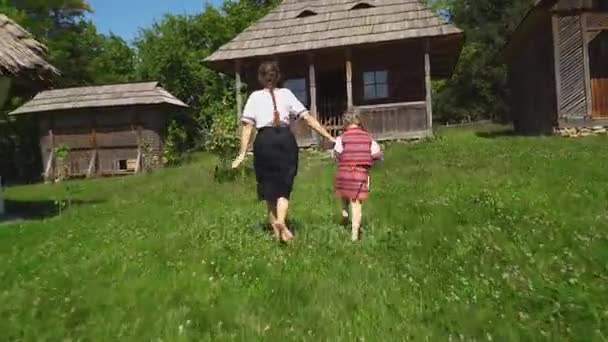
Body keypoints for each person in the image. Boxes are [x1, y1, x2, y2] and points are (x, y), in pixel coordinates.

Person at [232, 61, 335, 242]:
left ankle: (277, 233)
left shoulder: (254, 97)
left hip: (264, 142)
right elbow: (307, 118)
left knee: (269, 189)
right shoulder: (287, 94)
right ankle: (281, 221)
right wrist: (328, 136)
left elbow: (247, 127)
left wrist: (242, 152)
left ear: (260, 78)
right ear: (278, 76)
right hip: (285, 141)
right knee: (284, 188)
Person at [333, 110, 383, 241]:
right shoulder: (368, 138)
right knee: (356, 204)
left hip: (344, 172)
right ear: (360, 122)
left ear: (345, 123)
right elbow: (376, 154)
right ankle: (354, 235)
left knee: (344, 193)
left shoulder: (341, 138)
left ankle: (344, 213)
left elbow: (337, 154)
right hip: (360, 173)